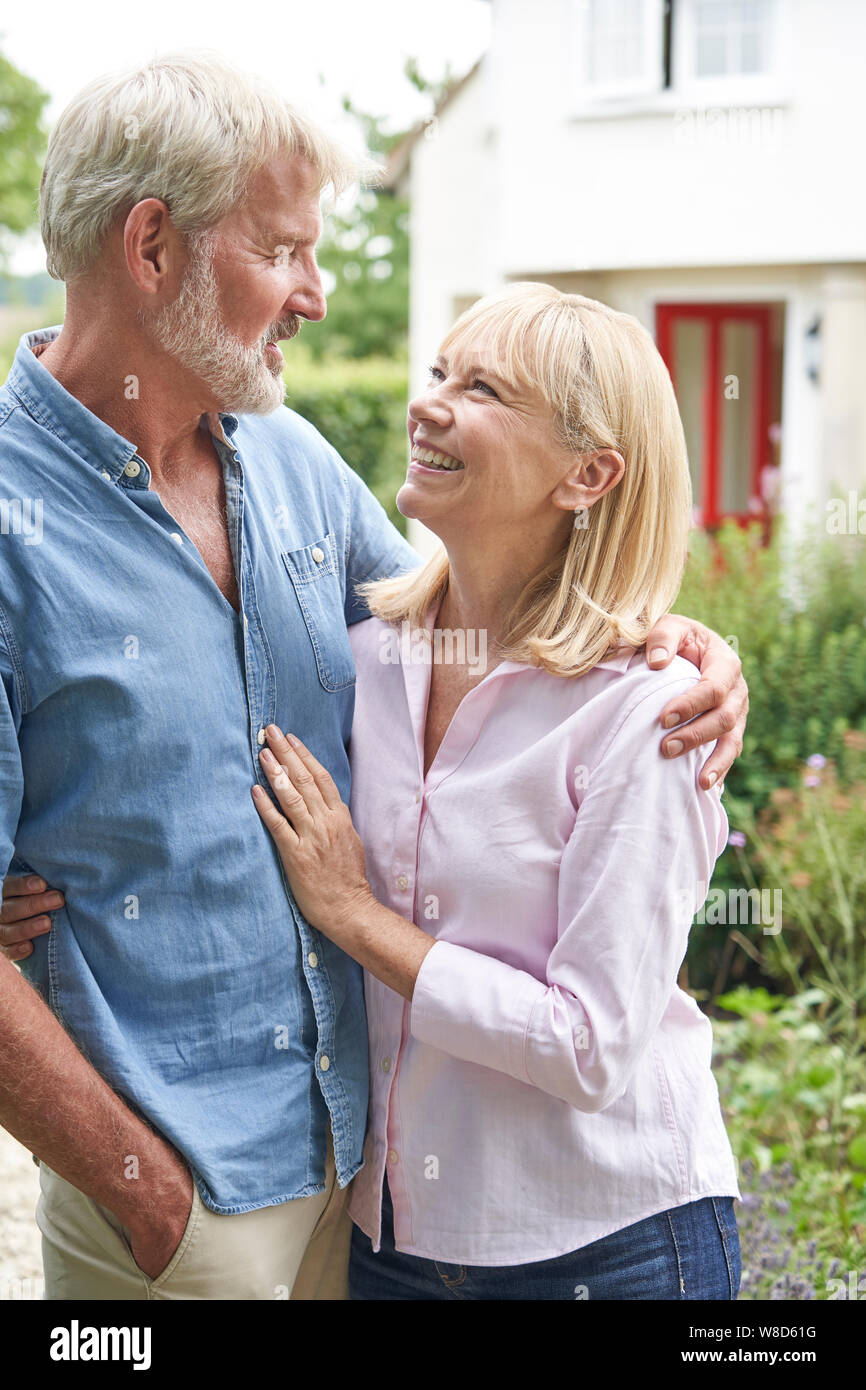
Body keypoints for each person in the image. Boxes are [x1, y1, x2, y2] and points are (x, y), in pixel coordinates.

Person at [0, 56, 747, 1300]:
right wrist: (146, 1198)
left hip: (369, 1198)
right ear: (151, 247)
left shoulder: (292, 461)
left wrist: (682, 645)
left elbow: (494, 614)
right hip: (182, 1211)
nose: (315, 294)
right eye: (285, 249)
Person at [246, 283, 743, 1300]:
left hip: (606, 1249)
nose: (429, 402)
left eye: (481, 390)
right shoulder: (358, 666)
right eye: (437, 372)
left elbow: (587, 1044)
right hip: (393, 1243)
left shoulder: (643, 714)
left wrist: (351, 913)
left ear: (587, 473)